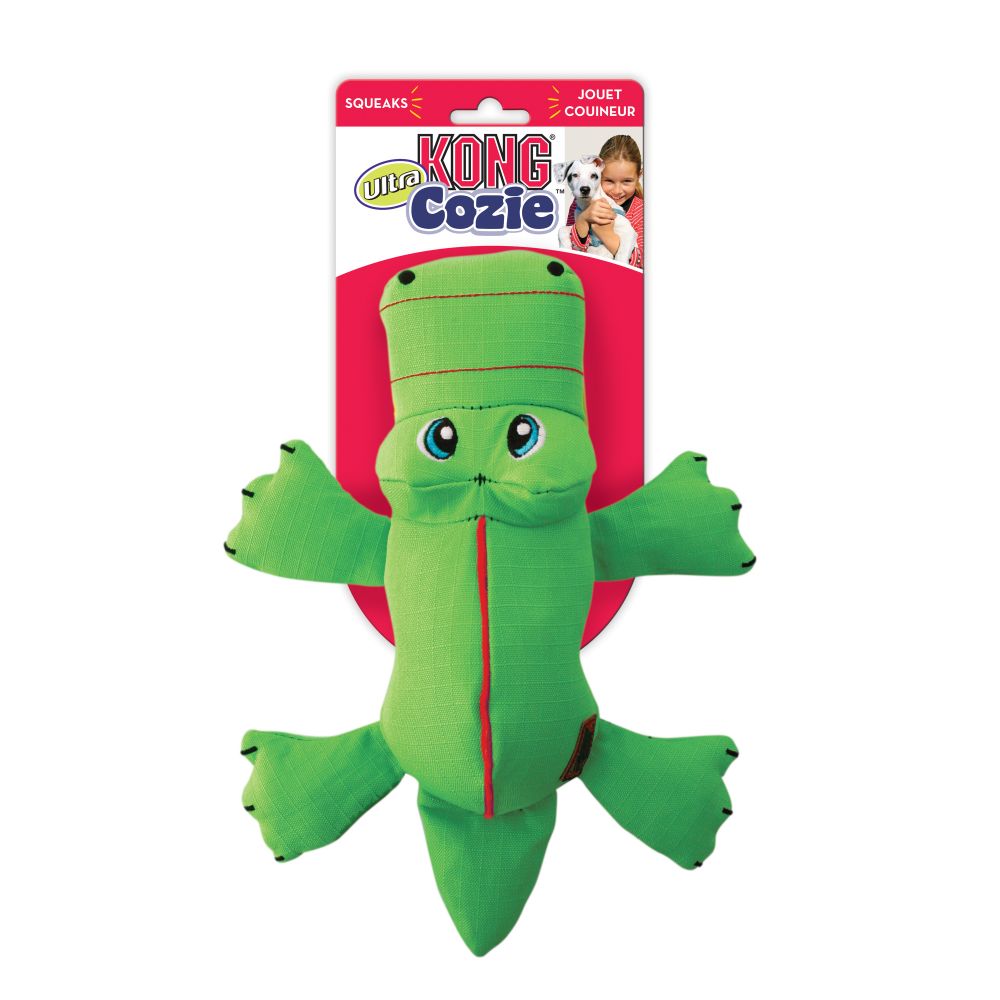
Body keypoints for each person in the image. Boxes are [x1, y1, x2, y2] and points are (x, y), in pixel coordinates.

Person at [566, 134, 644, 269]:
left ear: (639, 176)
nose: (617, 190)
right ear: (597, 172)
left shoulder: (641, 211)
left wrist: (605, 233)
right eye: (609, 181)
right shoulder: (579, 202)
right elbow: (572, 255)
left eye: (627, 181)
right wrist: (583, 220)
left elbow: (643, 263)